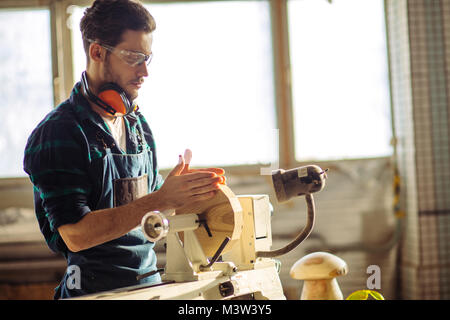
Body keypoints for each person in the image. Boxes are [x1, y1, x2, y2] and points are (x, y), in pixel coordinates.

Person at [23, 0, 225, 299]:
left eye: (147, 58)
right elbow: (75, 235)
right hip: (92, 292)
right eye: (133, 57)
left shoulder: (137, 126)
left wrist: (193, 195)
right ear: (97, 52)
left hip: (148, 286)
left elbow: (154, 211)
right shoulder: (60, 132)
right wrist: (161, 198)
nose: (145, 71)